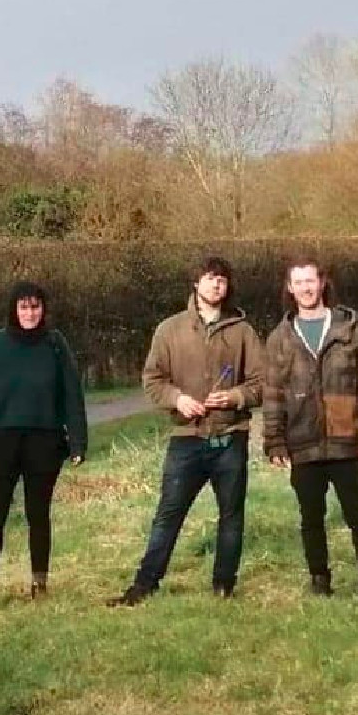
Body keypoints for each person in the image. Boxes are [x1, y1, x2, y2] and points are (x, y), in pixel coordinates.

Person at [112, 256, 263, 605]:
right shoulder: (170, 330)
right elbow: (153, 380)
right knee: (168, 515)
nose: (216, 285)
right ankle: (145, 585)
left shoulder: (243, 331)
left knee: (231, 517)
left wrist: (236, 396)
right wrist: (177, 399)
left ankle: (223, 587)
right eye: (210, 278)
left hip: (231, 436)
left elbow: (262, 382)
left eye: (222, 280)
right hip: (186, 438)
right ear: (196, 283)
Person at [262, 257, 358, 598]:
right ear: (290, 288)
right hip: (302, 441)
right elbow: (273, 394)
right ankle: (320, 578)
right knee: (311, 517)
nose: (306, 288)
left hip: (347, 438)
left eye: (311, 281)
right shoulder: (279, 338)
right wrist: (274, 440)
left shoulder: (351, 330)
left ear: (321, 283)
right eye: (299, 282)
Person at [0, 281, 88, 602]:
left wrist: (78, 442)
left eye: (35, 307)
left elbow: (72, 396)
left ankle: (39, 583)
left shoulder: (55, 345)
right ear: (13, 310)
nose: (30, 313)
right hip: (0, 441)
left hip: (44, 441)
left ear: (43, 309)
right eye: (23, 307)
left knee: (38, 514)